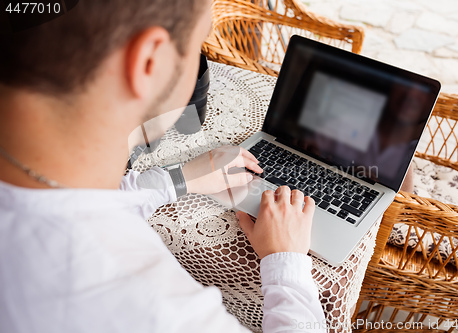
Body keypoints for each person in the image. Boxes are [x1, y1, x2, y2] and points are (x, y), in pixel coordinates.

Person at [0, 0, 327, 332]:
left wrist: (179, 180)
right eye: (198, 45)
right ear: (149, 63)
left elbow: (83, 201)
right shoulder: (160, 311)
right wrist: (286, 263)